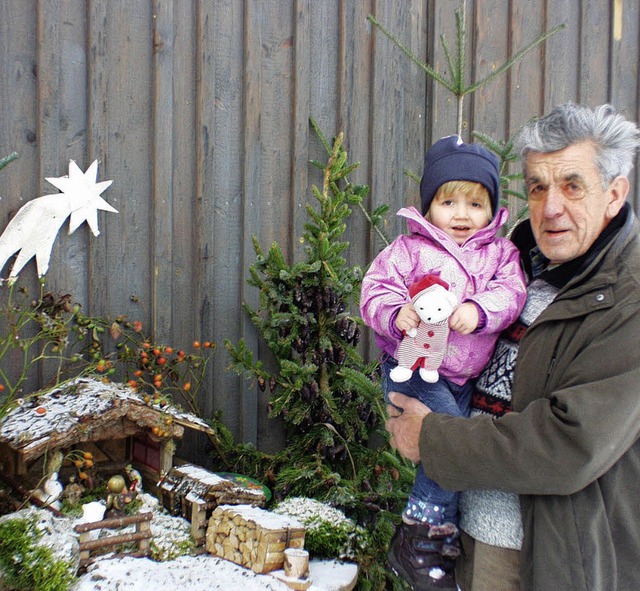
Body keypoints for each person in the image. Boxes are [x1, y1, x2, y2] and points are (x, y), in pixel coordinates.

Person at [385, 102, 640, 591]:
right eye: (539, 187)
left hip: (547, 558)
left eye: (571, 185)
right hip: (471, 536)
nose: (550, 208)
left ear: (614, 194)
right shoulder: (513, 267)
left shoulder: (625, 299)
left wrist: (431, 439)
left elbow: (569, 444)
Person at [360, 135, 527, 591]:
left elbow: (512, 294)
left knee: (450, 444)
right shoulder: (409, 250)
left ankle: (437, 538)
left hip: (464, 376)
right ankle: (422, 535)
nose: (461, 214)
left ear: (491, 210)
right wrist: (397, 313)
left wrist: (479, 311)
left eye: (475, 204)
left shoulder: (501, 254)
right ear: (429, 205)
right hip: (413, 368)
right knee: (448, 438)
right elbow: (374, 289)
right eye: (448, 201)